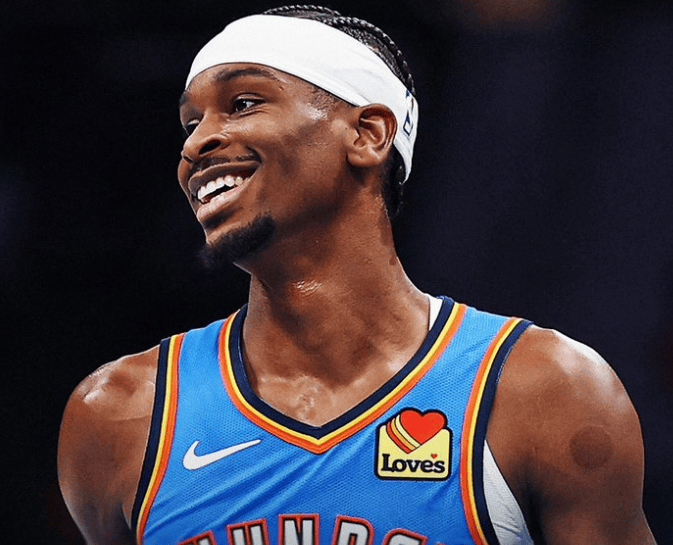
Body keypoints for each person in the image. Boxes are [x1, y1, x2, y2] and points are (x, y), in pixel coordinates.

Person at [57, 5, 657, 545]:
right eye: (191, 124)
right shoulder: (118, 414)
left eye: (242, 104)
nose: (198, 144)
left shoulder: (543, 391)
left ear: (368, 135)